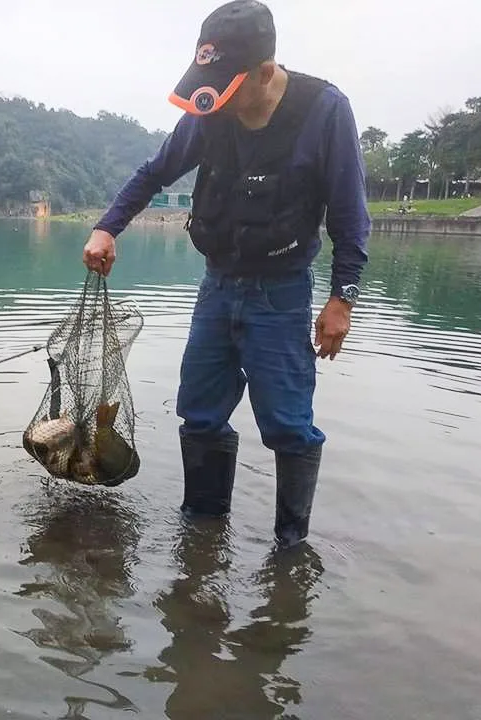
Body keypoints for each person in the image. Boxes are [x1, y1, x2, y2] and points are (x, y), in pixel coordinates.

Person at [82, 0, 370, 548]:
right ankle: (203, 534)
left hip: (282, 290)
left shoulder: (324, 111)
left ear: (264, 72)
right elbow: (155, 171)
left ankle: (290, 547)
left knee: (287, 425)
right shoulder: (208, 110)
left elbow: (351, 214)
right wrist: (106, 227)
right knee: (200, 412)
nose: (212, 101)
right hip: (217, 285)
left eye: (226, 87)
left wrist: (343, 299)